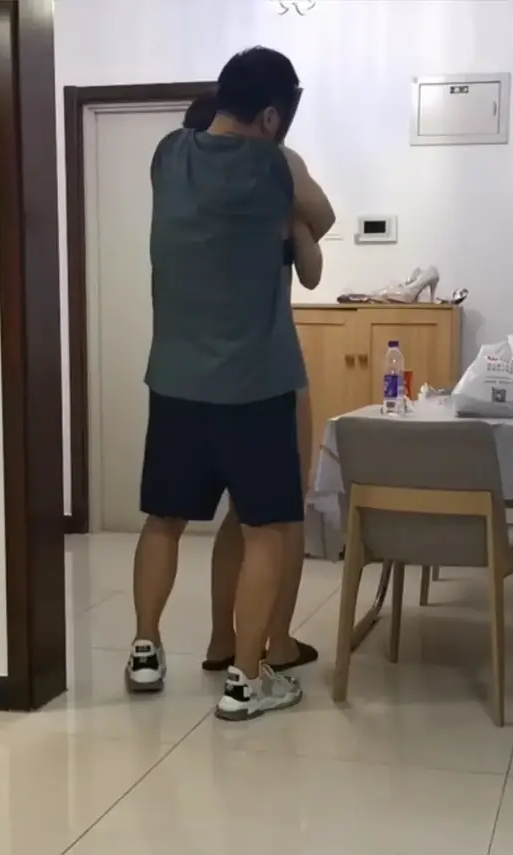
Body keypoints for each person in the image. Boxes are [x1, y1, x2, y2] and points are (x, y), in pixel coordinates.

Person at [128, 47, 336, 721]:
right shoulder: (278, 165)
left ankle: (145, 648)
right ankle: (246, 679)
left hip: (176, 379)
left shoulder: (167, 155)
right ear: (272, 115)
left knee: (163, 520)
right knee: (268, 529)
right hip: (255, 383)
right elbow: (325, 216)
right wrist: (289, 210)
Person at [178, 92, 327, 676]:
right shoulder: (275, 173)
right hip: (268, 369)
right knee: (279, 516)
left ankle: (223, 638)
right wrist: (295, 207)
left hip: (200, 373)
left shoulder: (188, 194)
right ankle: (277, 642)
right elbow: (316, 255)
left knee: (240, 516)